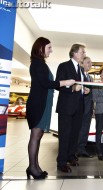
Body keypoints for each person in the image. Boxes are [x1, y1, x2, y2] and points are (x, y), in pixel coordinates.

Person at [26, 37, 75, 179]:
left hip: (42, 104)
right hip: (37, 105)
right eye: (49, 48)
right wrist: (65, 82)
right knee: (35, 136)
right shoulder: (37, 64)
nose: (51, 50)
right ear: (40, 48)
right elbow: (46, 83)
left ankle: (34, 166)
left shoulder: (40, 63)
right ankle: (32, 168)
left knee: (38, 136)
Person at [55, 44, 90, 173]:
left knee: (75, 134)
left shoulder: (81, 70)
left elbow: (81, 86)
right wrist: (72, 88)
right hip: (66, 108)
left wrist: (84, 90)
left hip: (78, 108)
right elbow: (58, 84)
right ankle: (61, 162)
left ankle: (70, 156)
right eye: (82, 52)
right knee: (65, 135)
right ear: (74, 53)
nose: (84, 54)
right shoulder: (63, 66)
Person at [77, 57, 94, 158]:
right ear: (82, 64)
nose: (90, 64)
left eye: (91, 63)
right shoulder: (79, 75)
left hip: (89, 108)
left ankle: (82, 149)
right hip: (80, 107)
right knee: (79, 129)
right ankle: (76, 150)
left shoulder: (90, 77)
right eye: (88, 62)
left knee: (85, 129)